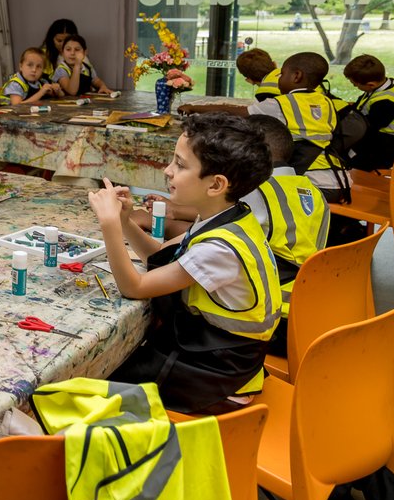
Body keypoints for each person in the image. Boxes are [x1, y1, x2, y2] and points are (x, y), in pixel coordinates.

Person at [87, 113, 280, 415]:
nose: (167, 170)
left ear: (216, 184)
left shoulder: (219, 249)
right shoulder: (228, 214)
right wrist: (126, 221)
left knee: (92, 385)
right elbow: (160, 256)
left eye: (180, 164)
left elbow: (134, 286)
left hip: (218, 374)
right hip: (214, 353)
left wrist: (109, 224)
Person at [243, 116, 329, 357]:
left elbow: (216, 234)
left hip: (269, 323)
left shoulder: (257, 191)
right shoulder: (313, 191)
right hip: (307, 317)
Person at [249, 52, 348, 202]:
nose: (279, 80)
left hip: (312, 184)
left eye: (282, 75)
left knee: (254, 193)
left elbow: (242, 113)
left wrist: (202, 106)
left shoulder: (282, 103)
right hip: (339, 180)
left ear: (296, 76)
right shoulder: (326, 102)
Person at [342, 53, 394, 171]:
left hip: (384, 148)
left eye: (356, 85)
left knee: (339, 155)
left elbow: (366, 126)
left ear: (371, 84)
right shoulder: (380, 87)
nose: (355, 87)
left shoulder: (388, 103)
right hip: (374, 140)